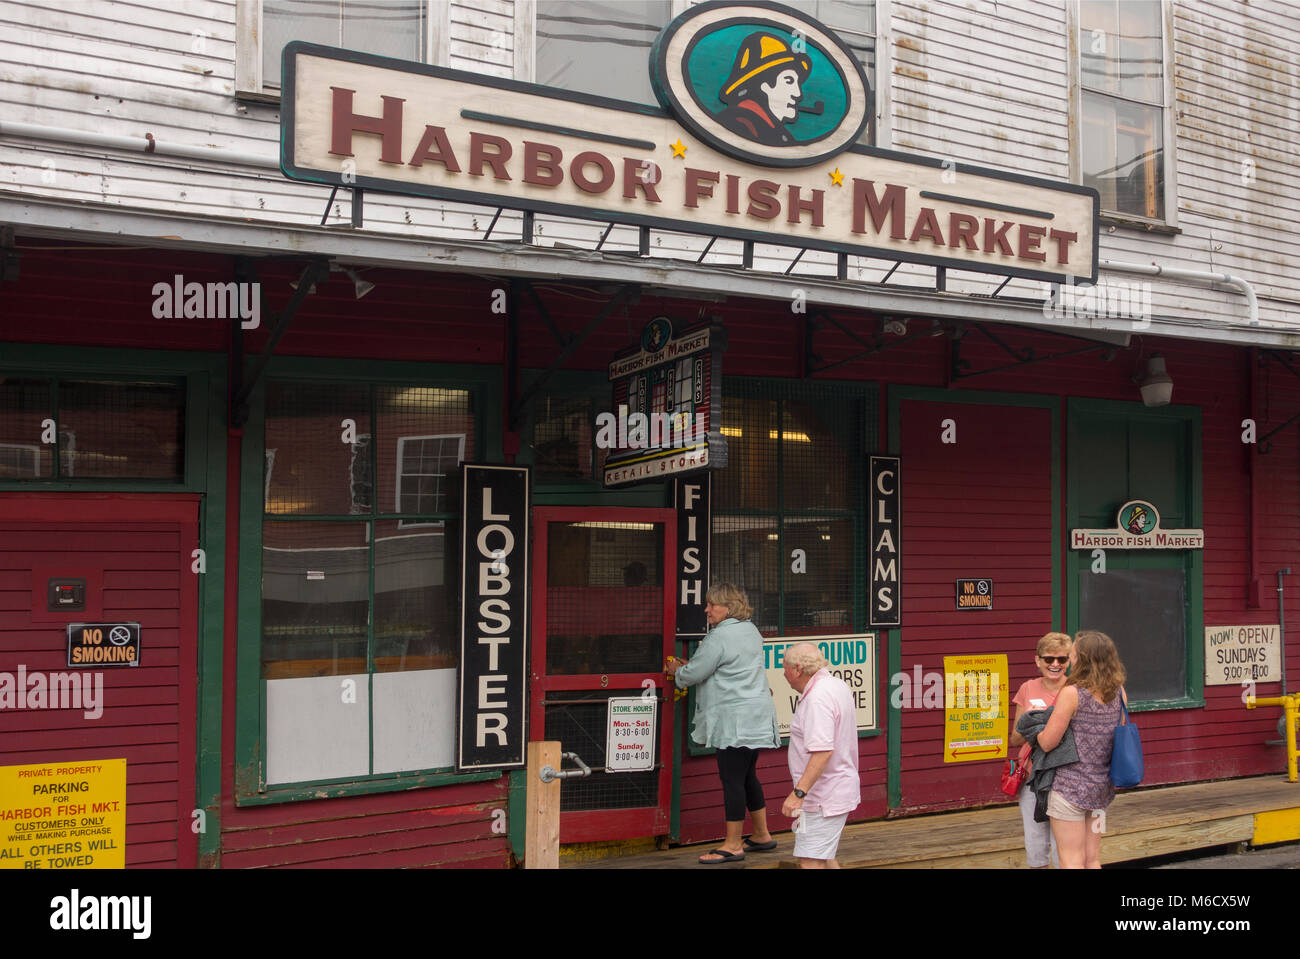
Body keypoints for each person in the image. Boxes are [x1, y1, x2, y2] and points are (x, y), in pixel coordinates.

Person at [666, 583, 780, 864]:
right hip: (755, 714)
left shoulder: (719, 637)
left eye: (711, 604)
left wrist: (677, 671)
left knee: (732, 779)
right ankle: (762, 835)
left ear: (727, 608)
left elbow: (696, 672)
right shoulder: (751, 630)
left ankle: (732, 844)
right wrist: (691, 667)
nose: (706, 609)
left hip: (733, 720)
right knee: (748, 775)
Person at [1034, 630, 1129, 869]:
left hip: (1068, 791)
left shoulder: (1071, 694)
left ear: (1083, 658)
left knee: (1071, 859)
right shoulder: (1120, 693)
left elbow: (1048, 742)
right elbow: (1117, 737)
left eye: (1074, 653)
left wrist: (1034, 728)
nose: (1071, 656)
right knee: (1093, 859)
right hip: (1100, 792)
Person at [779, 643, 861, 868]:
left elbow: (823, 751)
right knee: (825, 856)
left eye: (784, 667)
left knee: (810, 860)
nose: (783, 672)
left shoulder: (817, 698)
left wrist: (798, 793)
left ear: (796, 669)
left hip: (823, 797)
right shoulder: (836, 685)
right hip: (834, 790)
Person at [1008, 631, 1072, 868]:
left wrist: (1043, 726)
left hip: (1066, 776)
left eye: (1062, 659)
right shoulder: (1027, 688)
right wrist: (1039, 725)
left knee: (1063, 844)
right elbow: (1014, 738)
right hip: (1032, 775)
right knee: (1035, 843)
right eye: (1049, 659)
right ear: (1037, 660)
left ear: (1069, 661)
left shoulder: (1075, 689)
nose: (1055, 665)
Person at [714, 32, 812, 146]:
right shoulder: (739, 123)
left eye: (798, 83)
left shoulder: (778, 135)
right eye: (789, 81)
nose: (798, 94)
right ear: (764, 85)